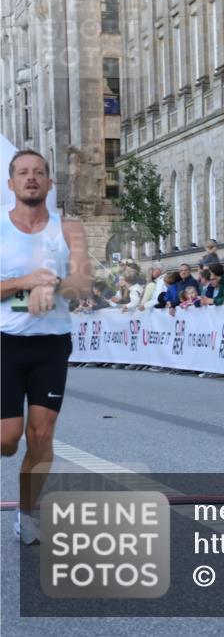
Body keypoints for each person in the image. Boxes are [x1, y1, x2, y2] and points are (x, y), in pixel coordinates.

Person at [1, 149, 91, 545]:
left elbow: (83, 285)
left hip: (52, 343)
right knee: (7, 440)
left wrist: (52, 285)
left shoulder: (68, 228)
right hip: (6, 342)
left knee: (42, 434)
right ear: (11, 184)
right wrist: (24, 283)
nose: (32, 178)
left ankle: (26, 512)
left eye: (39, 172)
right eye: (23, 172)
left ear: (50, 183)